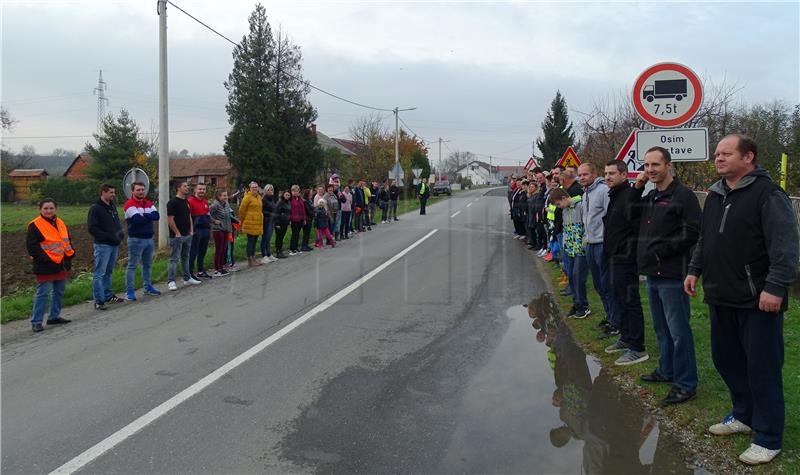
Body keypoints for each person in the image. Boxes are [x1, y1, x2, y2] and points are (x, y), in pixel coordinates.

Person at [685, 134, 799, 465]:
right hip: (721, 295)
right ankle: (743, 415)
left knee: (762, 367)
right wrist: (695, 270)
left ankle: (769, 436)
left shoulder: (768, 194)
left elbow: (786, 247)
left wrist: (775, 286)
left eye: (726, 153)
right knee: (727, 360)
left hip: (757, 299)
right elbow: (706, 240)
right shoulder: (716, 195)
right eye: (717, 154)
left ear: (748, 157)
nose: (718, 159)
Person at [634, 146, 701, 406]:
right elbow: (626, 216)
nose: (650, 170)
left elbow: (692, 232)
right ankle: (666, 370)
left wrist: (660, 252)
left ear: (669, 165)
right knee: (661, 328)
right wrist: (638, 187)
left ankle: (685, 384)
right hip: (652, 273)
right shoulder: (650, 196)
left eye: (655, 165)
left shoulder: (684, 196)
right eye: (647, 165)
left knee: (678, 331)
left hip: (673, 274)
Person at [601, 160, 648, 366]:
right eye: (606, 173)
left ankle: (637, 348)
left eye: (612, 173)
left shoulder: (628, 195)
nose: (607, 177)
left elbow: (635, 224)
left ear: (623, 175)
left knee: (630, 301)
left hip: (626, 258)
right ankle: (626, 337)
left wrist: (640, 185)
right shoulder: (615, 195)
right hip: (613, 256)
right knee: (620, 299)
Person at [577, 163, 617, 335]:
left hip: (602, 244)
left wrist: (609, 242)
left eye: (585, 174)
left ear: (594, 174)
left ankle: (616, 322)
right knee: (598, 284)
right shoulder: (586, 193)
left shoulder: (602, 191)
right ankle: (609, 317)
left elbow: (611, 217)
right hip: (590, 244)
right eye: (580, 175)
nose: (582, 177)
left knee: (607, 284)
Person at [26, 198, 73, 332]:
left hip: (60, 263)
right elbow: (32, 247)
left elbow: (67, 241)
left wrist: (69, 258)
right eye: (45, 208)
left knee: (59, 291)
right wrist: (46, 259)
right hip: (44, 265)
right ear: (40, 210)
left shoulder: (60, 222)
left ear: (56, 209)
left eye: (51, 208)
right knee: (43, 294)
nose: (48, 211)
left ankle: (54, 316)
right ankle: (36, 321)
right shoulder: (34, 225)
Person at [550, 188, 590, 319]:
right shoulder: (565, 210)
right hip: (570, 248)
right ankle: (576, 303)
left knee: (578, 277)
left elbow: (586, 226)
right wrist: (566, 245)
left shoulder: (581, 205)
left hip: (581, 248)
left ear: (563, 198)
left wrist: (583, 243)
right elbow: (566, 228)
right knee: (572, 276)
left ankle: (583, 307)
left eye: (558, 204)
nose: (558, 207)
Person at [87, 183, 124, 310]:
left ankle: (107, 295)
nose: (113, 195)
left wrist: (119, 234)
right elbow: (92, 228)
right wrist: (108, 236)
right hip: (103, 245)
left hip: (114, 244)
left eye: (114, 192)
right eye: (111, 192)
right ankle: (98, 299)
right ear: (103, 192)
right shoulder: (96, 208)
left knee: (108, 272)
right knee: (99, 273)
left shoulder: (111, 206)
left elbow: (116, 222)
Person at [123, 181, 161, 301]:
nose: (141, 192)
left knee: (147, 265)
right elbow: (137, 219)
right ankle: (129, 291)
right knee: (132, 265)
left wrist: (143, 215)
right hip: (136, 239)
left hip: (149, 239)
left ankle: (148, 287)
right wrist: (147, 215)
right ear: (133, 191)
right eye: (138, 190)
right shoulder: (129, 204)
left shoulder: (148, 203)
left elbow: (157, 216)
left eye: (142, 189)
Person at [167, 181, 202, 290]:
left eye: (187, 186)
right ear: (179, 188)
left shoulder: (186, 202)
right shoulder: (172, 202)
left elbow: (189, 216)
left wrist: (191, 230)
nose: (187, 188)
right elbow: (170, 219)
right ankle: (171, 281)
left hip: (187, 234)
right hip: (177, 236)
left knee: (185, 257)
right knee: (174, 259)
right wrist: (177, 232)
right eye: (185, 186)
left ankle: (187, 278)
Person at [188, 183, 212, 280]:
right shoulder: (190, 201)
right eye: (200, 189)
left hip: (206, 229)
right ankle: (190, 273)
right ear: (195, 190)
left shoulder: (205, 202)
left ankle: (201, 271)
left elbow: (208, 215)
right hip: (196, 230)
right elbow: (188, 217)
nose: (202, 191)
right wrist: (191, 230)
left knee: (202, 251)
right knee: (193, 252)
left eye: (203, 189)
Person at [238, 181, 263, 267]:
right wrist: (243, 220)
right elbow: (241, 210)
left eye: (256, 187)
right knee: (250, 241)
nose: (255, 189)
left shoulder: (259, 197)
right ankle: (250, 259)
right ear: (250, 188)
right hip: (250, 222)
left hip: (257, 223)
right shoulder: (247, 197)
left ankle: (254, 258)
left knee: (255, 241)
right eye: (253, 187)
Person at [209, 189, 233, 276]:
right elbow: (207, 213)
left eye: (226, 195)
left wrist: (230, 230)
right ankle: (217, 269)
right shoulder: (215, 205)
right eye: (224, 195)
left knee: (223, 249)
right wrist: (214, 221)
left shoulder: (226, 204)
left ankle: (221, 267)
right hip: (218, 229)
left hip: (226, 229)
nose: (226, 197)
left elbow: (228, 218)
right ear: (219, 196)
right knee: (219, 249)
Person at [288, 185, 307, 255]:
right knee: (294, 234)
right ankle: (292, 249)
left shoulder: (300, 199)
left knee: (298, 234)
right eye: (294, 191)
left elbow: (303, 209)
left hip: (300, 219)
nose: (296, 192)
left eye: (297, 191)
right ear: (292, 191)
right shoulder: (290, 199)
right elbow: (289, 210)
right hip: (293, 219)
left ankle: (295, 248)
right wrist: (289, 220)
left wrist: (304, 218)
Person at [261, 184, 277, 263]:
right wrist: (270, 214)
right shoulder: (264, 199)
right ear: (265, 191)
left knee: (269, 238)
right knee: (265, 238)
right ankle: (264, 255)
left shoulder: (272, 199)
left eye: (272, 190)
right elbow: (262, 211)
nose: (271, 191)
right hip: (266, 221)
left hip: (271, 220)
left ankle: (269, 254)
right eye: (269, 190)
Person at [273, 190, 291, 258]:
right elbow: (276, 213)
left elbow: (288, 213)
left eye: (288, 195)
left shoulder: (288, 202)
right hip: (279, 223)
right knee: (279, 237)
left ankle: (280, 251)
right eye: (286, 195)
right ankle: (278, 252)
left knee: (282, 237)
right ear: (283, 195)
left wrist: (288, 221)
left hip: (285, 223)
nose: (287, 196)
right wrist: (277, 223)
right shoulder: (280, 202)